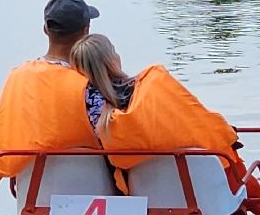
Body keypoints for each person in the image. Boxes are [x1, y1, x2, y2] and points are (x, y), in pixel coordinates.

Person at [0, 0, 103, 190]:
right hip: (91, 187)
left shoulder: (17, 77)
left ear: (45, 29)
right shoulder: (92, 83)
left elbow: (3, 131)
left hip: (32, 190)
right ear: (86, 31)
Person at [69, 34, 240, 173]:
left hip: (134, 189)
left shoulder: (82, 107)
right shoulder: (152, 86)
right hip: (196, 180)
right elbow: (197, 122)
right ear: (112, 60)